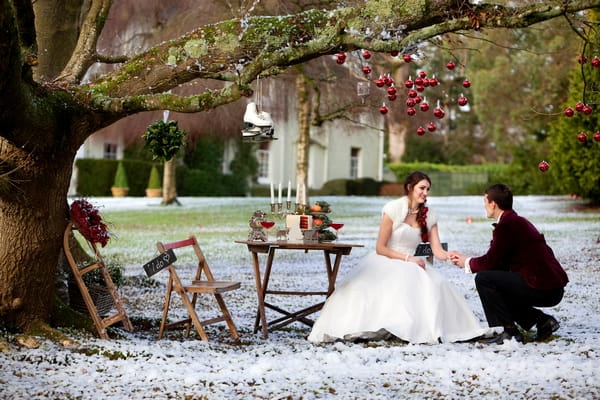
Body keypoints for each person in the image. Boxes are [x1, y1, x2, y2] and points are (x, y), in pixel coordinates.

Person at [308, 171, 495, 344]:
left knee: (436, 284)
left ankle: (424, 328)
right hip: (388, 258)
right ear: (410, 188)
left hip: (413, 262)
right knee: (384, 285)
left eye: (428, 189)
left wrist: (450, 255)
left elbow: (436, 249)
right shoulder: (393, 209)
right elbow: (380, 247)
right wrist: (407, 259)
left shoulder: (429, 215)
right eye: (422, 188)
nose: (425, 193)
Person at [450, 184, 568, 344]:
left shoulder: (507, 225)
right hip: (551, 287)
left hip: (543, 287)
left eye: (485, 201)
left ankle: (505, 332)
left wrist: (467, 262)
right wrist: (468, 261)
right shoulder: (516, 221)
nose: (484, 205)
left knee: (484, 279)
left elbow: (490, 262)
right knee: (496, 283)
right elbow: (498, 262)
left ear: (493, 203)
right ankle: (542, 321)